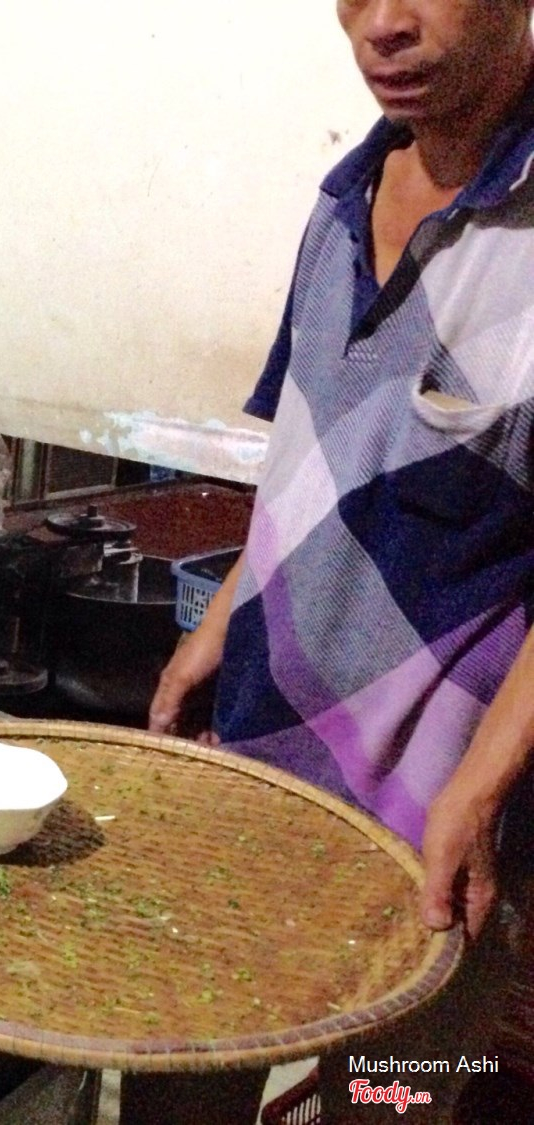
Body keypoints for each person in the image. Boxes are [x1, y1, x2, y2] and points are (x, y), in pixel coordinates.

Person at [149, 1, 534, 1118]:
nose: (382, 26)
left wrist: (480, 789)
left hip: (436, 812)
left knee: (389, 1097)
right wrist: (220, 622)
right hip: (260, 758)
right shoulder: (340, 203)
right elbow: (313, 457)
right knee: (178, 1069)